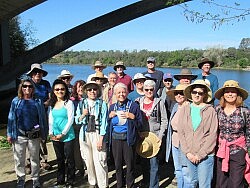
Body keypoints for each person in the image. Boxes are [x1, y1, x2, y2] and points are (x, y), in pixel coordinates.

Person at [7, 78, 48, 188]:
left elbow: (42, 118)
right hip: (19, 135)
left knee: (35, 159)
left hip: (34, 136)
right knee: (19, 159)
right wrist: (9, 134)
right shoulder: (16, 101)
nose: (27, 88)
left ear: (33, 88)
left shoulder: (38, 101)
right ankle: (21, 179)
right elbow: (11, 118)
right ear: (21, 88)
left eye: (30, 86)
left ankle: (35, 179)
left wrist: (43, 133)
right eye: (25, 86)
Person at [177, 79, 218, 187]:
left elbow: (212, 135)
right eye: (194, 92)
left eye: (200, 93)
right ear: (191, 93)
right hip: (189, 154)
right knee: (192, 183)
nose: (197, 95)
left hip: (206, 156)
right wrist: (187, 153)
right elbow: (181, 132)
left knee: (204, 185)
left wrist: (200, 155)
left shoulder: (211, 111)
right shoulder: (185, 109)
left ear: (204, 94)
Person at [214, 80, 250, 188]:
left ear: (238, 94)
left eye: (233, 92)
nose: (230, 94)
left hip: (238, 151)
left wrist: (248, 151)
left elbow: (249, 133)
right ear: (223, 95)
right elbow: (215, 131)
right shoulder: (217, 110)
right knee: (221, 183)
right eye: (227, 92)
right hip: (221, 151)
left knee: (236, 183)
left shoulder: (245, 112)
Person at [108, 82, 143, 188]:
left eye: (123, 92)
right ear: (115, 94)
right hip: (115, 139)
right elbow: (107, 124)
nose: (121, 94)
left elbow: (140, 124)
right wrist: (109, 117)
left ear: (127, 93)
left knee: (130, 165)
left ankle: (130, 185)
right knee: (118, 165)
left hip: (128, 138)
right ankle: (120, 185)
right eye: (118, 92)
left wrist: (133, 117)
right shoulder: (112, 107)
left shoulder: (133, 106)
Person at [75, 81, 108, 188]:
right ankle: (92, 183)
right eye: (89, 89)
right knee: (88, 160)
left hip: (98, 133)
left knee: (100, 160)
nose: (92, 91)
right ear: (86, 91)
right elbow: (77, 120)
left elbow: (104, 122)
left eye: (94, 89)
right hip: (85, 134)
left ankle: (103, 184)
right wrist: (83, 115)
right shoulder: (81, 104)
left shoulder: (102, 104)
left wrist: (101, 138)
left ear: (98, 90)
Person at [137, 80, 168, 187]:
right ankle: (145, 182)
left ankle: (154, 185)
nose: (149, 91)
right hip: (142, 137)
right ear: (143, 90)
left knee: (154, 164)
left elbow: (164, 121)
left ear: (154, 90)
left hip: (155, 137)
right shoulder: (138, 102)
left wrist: (160, 135)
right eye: (147, 89)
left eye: (151, 89)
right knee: (144, 163)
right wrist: (137, 133)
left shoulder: (160, 102)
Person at [48, 79, 75, 187]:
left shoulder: (69, 103)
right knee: (60, 159)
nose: (60, 91)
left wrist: (63, 134)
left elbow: (70, 119)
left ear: (65, 90)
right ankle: (60, 181)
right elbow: (50, 119)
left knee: (69, 159)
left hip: (67, 136)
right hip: (55, 136)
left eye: (62, 89)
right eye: (57, 89)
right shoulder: (52, 103)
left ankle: (70, 181)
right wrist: (51, 133)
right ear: (53, 91)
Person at [27, 63, 52, 171]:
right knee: (30, 136)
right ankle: (29, 161)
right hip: (31, 115)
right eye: (35, 72)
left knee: (42, 137)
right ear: (32, 74)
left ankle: (43, 160)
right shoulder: (28, 84)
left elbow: (51, 97)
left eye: (40, 72)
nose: (38, 74)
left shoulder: (45, 84)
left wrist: (46, 104)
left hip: (43, 115)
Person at [165, 84, 188, 188]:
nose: (179, 95)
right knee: (178, 168)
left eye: (181, 93)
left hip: (185, 142)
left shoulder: (189, 107)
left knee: (186, 169)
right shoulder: (175, 106)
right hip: (174, 140)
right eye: (177, 93)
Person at [70, 80, 86, 177]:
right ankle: (79, 168)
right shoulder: (72, 101)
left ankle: (86, 167)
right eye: (78, 87)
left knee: (86, 148)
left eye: (82, 87)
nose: (80, 89)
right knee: (77, 149)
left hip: (86, 127)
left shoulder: (88, 99)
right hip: (75, 127)